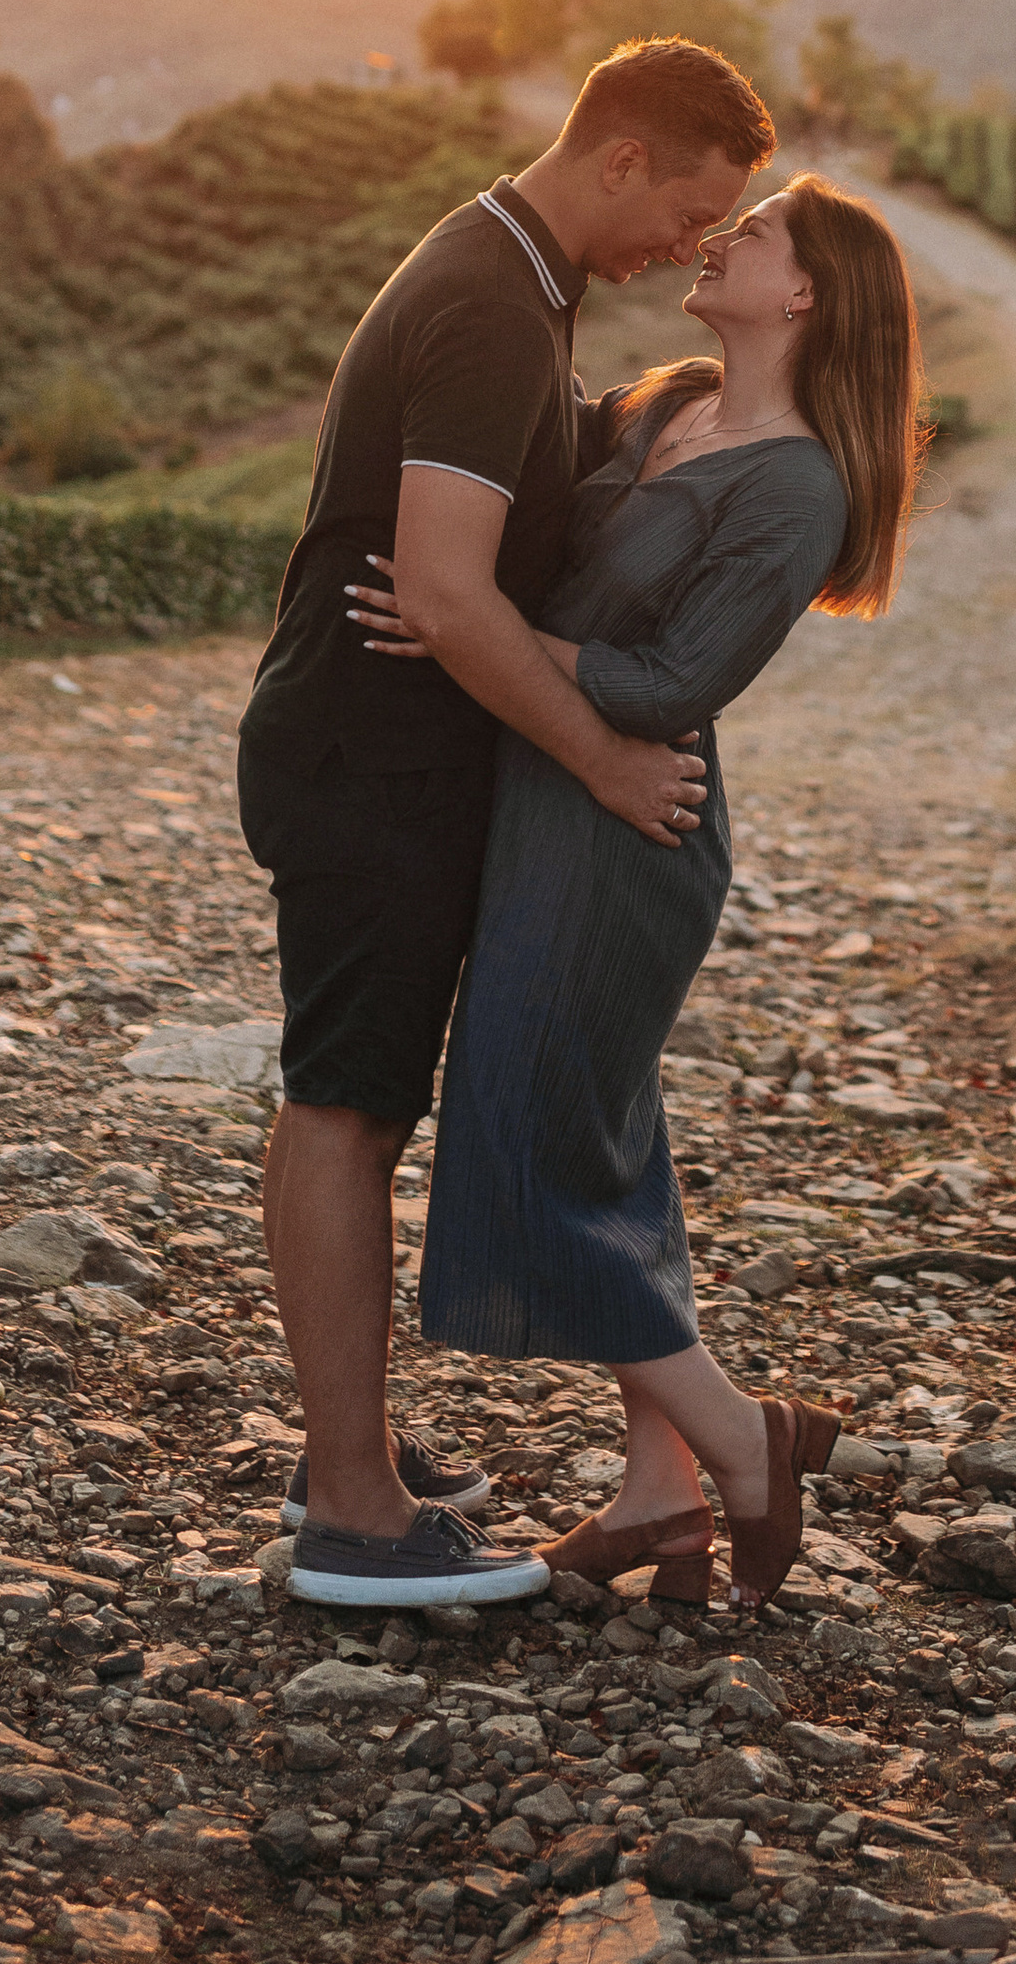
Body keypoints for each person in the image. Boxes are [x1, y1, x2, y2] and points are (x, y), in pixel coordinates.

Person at [237, 34, 777, 1611]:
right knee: (345, 1100)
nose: (691, 244)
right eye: (691, 208)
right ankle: (349, 1508)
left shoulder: (517, 287)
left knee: (367, 1098)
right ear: (622, 158)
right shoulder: (486, 300)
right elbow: (448, 594)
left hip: (392, 762)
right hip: (366, 762)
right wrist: (611, 765)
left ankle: (361, 1454)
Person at [347, 173, 923, 1612]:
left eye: (763, 230)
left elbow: (678, 683)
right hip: (537, 796)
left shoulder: (801, 486)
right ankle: (660, 1493)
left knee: (528, 1132)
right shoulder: (662, 401)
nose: (728, 238)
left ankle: (745, 1439)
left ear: (805, 294)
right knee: (598, 1140)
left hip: (631, 830)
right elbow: (520, 509)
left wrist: (479, 628)